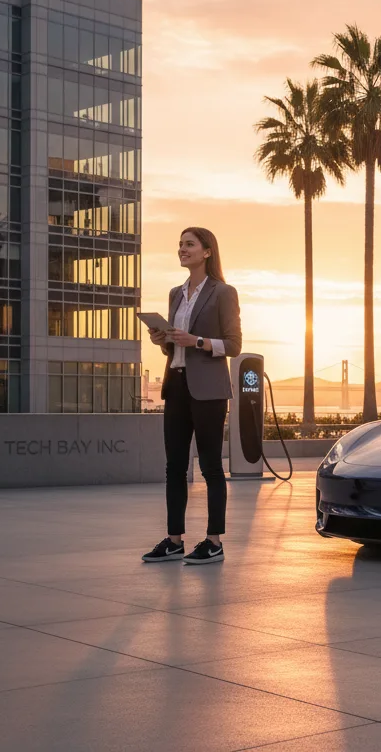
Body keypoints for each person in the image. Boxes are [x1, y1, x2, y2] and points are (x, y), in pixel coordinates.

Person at [142, 227, 242, 565]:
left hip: (210, 391)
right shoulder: (175, 293)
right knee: (174, 467)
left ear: (207, 251)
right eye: (180, 245)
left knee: (212, 466)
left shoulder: (223, 293)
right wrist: (163, 340)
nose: (182, 249)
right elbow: (174, 346)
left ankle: (214, 541)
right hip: (177, 385)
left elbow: (233, 344)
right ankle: (174, 540)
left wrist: (196, 341)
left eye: (189, 244)